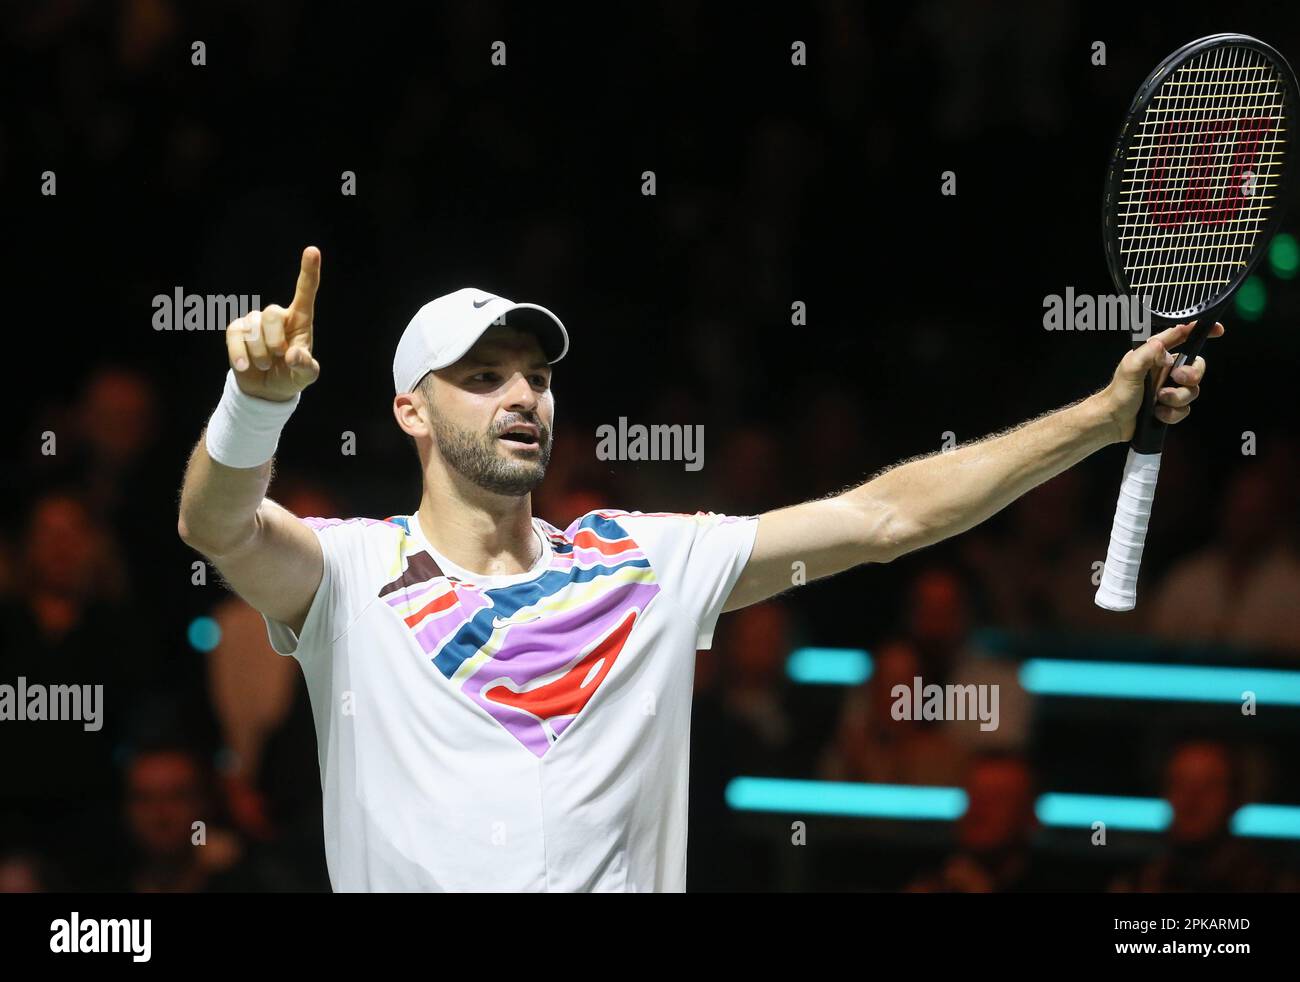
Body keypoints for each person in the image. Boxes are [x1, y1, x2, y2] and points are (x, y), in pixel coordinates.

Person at [176, 246, 1215, 892]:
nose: (523, 397)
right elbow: (217, 526)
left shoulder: (642, 560)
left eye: (536, 376)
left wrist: (1100, 418)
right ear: (411, 410)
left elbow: (884, 514)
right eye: (483, 377)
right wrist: (255, 405)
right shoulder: (354, 578)